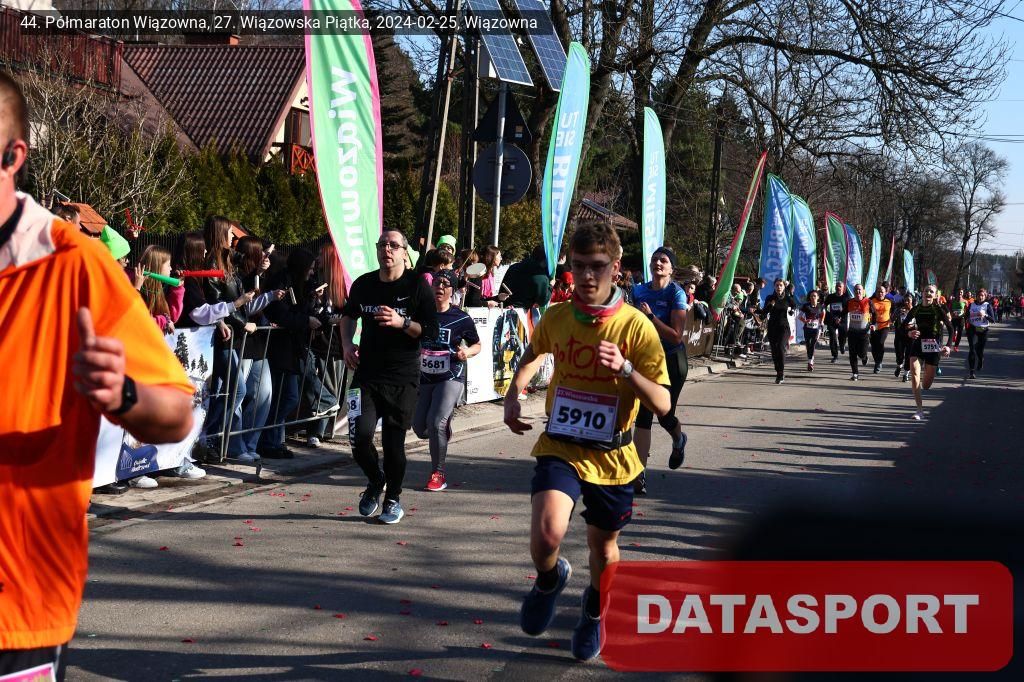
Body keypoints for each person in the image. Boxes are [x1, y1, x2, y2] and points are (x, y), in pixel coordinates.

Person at [0, 71, 194, 679]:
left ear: (12, 156)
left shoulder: (73, 266)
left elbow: (177, 415)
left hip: (17, 600)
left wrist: (123, 393)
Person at [502, 221, 670, 661]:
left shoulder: (637, 328)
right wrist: (514, 393)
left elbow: (663, 403)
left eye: (597, 266)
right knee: (546, 535)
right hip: (562, 444)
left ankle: (594, 611)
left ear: (616, 267)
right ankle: (549, 579)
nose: (587, 276)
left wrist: (627, 371)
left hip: (613, 456)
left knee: (604, 548)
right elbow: (532, 354)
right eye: (579, 266)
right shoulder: (558, 316)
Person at [341, 229, 439, 524]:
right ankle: (376, 480)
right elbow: (348, 316)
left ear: (404, 252)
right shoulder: (364, 284)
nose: (387, 249)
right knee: (358, 437)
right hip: (366, 375)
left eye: (393, 245)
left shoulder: (417, 286)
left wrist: (402, 322)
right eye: (382, 244)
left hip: (402, 378)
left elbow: (430, 332)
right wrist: (347, 344)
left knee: (394, 445)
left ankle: (393, 498)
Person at [412, 269, 481, 491]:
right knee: (420, 428)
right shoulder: (421, 314)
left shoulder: (461, 317)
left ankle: (438, 473)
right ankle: (443, 429)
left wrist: (466, 352)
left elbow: (477, 344)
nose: (440, 287)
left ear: (452, 290)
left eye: (445, 284)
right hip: (425, 376)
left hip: (451, 375)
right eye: (436, 283)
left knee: (435, 423)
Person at [631, 246, 689, 494]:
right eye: (654, 259)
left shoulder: (676, 293)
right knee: (643, 416)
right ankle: (638, 475)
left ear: (671, 268)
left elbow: (676, 336)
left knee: (665, 416)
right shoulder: (638, 291)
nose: (658, 263)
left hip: (673, 360)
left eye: (663, 260)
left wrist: (651, 317)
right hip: (648, 361)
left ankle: (679, 439)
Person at [202, 216, 260, 463]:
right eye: (229, 233)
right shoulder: (211, 265)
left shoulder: (227, 262)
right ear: (219, 234)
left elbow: (244, 264)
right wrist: (240, 322)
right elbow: (216, 302)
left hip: (230, 335)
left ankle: (211, 436)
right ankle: (209, 435)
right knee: (236, 389)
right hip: (221, 337)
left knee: (229, 390)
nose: (233, 237)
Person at [260, 249, 324, 459]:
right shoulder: (283, 282)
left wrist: (312, 300)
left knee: (286, 397)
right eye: (310, 268)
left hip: (293, 348)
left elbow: (300, 310)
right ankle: (268, 440)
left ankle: (274, 440)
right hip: (281, 347)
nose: (312, 273)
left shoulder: (301, 284)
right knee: (285, 397)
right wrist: (306, 321)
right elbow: (282, 315)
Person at [903, 284, 953, 419]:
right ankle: (919, 410)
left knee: (926, 385)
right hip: (918, 345)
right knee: (914, 374)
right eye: (926, 291)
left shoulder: (938, 310)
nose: (928, 293)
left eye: (931, 291)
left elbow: (950, 328)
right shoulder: (916, 309)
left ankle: (928, 371)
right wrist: (909, 333)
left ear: (935, 295)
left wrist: (948, 346)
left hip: (933, 347)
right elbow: (903, 325)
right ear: (922, 293)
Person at [759, 278, 797, 384]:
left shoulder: (788, 298)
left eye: (781, 285)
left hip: (784, 327)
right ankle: (778, 370)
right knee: (774, 351)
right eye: (777, 285)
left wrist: (792, 310)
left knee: (780, 347)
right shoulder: (770, 298)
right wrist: (770, 306)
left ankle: (780, 373)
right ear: (774, 287)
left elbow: (794, 306)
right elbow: (763, 314)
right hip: (772, 327)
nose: (779, 287)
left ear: (784, 287)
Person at [503, 244, 552, 309]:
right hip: (522, 311)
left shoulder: (514, 267)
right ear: (546, 259)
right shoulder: (540, 276)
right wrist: (551, 285)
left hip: (504, 307)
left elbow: (503, 289)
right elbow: (542, 301)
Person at [965, 287, 996, 379]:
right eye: (979, 295)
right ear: (976, 296)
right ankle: (971, 372)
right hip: (973, 329)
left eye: (982, 295)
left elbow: (993, 320)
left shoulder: (987, 305)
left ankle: (981, 359)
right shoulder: (971, 305)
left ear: (985, 296)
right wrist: (967, 318)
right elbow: (966, 316)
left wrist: (985, 315)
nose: (980, 297)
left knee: (979, 350)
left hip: (983, 330)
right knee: (972, 349)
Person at [845, 284, 873, 381]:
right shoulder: (850, 302)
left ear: (863, 291)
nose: (858, 291)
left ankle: (864, 358)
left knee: (861, 353)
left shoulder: (868, 301)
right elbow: (843, 312)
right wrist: (838, 318)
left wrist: (873, 324)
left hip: (864, 332)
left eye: (860, 289)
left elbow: (874, 314)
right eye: (856, 290)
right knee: (852, 353)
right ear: (854, 291)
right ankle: (855, 373)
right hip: (852, 331)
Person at [868, 283, 893, 374]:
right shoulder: (871, 301)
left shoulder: (889, 301)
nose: (880, 293)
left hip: (885, 325)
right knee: (874, 345)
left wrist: (892, 319)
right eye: (878, 291)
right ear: (876, 292)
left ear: (885, 292)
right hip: (874, 326)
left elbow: (895, 311)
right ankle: (877, 361)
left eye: (882, 292)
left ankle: (879, 362)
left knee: (880, 342)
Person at [823, 281, 851, 363]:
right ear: (835, 287)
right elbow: (824, 306)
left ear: (843, 288)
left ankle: (842, 345)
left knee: (843, 336)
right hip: (832, 319)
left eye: (840, 286)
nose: (838, 288)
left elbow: (848, 309)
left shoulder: (846, 297)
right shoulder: (830, 297)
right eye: (837, 286)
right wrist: (827, 313)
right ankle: (835, 355)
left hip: (842, 320)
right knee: (832, 337)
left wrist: (840, 317)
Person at [798, 290, 825, 371]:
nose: (813, 297)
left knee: (813, 344)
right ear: (809, 297)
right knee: (808, 344)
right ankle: (810, 359)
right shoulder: (806, 306)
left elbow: (823, 313)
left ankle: (810, 362)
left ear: (818, 297)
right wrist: (805, 321)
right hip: (807, 328)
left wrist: (822, 321)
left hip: (816, 328)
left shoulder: (820, 306)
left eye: (815, 296)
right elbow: (799, 316)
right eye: (811, 296)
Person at [892, 295, 914, 382]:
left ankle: (906, 374)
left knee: (909, 356)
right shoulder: (899, 309)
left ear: (912, 301)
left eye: (908, 300)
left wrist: (914, 326)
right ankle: (899, 365)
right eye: (905, 300)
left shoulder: (915, 310)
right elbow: (892, 319)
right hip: (900, 336)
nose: (906, 302)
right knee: (899, 355)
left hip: (911, 336)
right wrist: (898, 314)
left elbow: (920, 322)